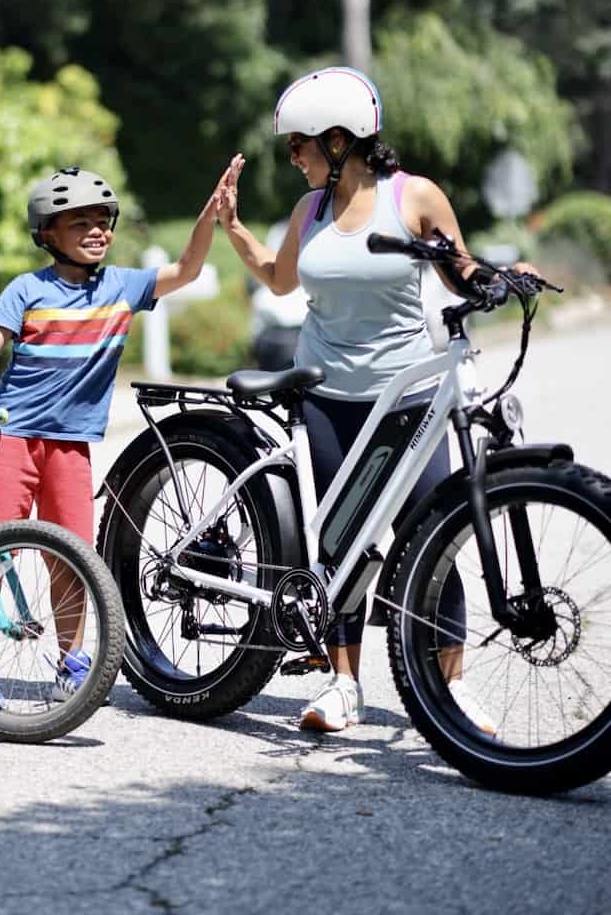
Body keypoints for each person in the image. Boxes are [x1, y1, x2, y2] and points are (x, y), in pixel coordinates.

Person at [216, 66, 523, 736]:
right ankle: (342, 684)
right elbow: (278, 279)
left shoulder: (413, 198)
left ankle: (453, 690)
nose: (292, 157)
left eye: (297, 145)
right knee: (339, 548)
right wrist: (234, 229)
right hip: (325, 395)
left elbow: (460, 268)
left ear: (336, 139)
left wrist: (504, 277)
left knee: (428, 542)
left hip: (407, 398)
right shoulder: (310, 211)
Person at [0, 159, 242, 705]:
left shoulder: (122, 286)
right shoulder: (26, 289)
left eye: (103, 220)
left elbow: (185, 269)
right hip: (13, 438)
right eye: (79, 222)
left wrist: (210, 216)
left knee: (72, 556)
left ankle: (71, 661)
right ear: (47, 234)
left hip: (71, 446)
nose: (97, 231)